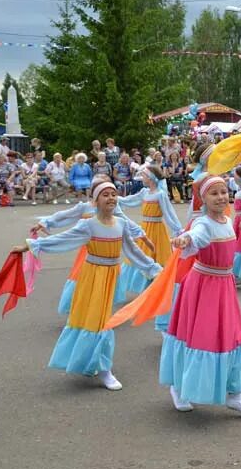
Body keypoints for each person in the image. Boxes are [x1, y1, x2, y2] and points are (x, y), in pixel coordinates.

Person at [13, 181, 161, 391]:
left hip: (110, 276)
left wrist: (155, 269)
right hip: (92, 275)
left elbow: (133, 251)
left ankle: (97, 364)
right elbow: (63, 239)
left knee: (100, 319)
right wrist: (31, 246)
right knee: (95, 319)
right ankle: (103, 369)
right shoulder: (89, 224)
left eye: (114, 194)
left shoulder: (121, 224)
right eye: (105, 195)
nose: (111, 198)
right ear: (95, 200)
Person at [159, 175, 241, 416]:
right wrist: (186, 237)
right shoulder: (202, 223)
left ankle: (235, 394)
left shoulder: (227, 220)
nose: (221, 197)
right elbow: (198, 236)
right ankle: (179, 388)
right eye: (214, 193)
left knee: (232, 336)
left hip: (225, 285)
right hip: (203, 286)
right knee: (199, 337)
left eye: (223, 192)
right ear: (203, 198)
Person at [31, 175, 151, 316]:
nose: (109, 196)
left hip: (108, 250)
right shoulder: (84, 208)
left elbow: (125, 221)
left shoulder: (113, 208)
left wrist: (140, 233)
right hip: (89, 250)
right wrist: (45, 222)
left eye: (111, 192)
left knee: (105, 280)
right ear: (95, 194)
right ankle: (81, 306)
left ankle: (99, 309)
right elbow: (63, 215)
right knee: (82, 278)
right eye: (103, 192)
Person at [117, 166, 182, 319]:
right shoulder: (144, 193)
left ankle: (154, 293)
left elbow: (169, 213)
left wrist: (178, 230)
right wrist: (115, 198)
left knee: (155, 259)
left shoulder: (160, 195)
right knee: (139, 257)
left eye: (145, 176)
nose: (142, 179)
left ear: (151, 178)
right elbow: (129, 201)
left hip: (157, 230)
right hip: (144, 229)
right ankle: (145, 293)